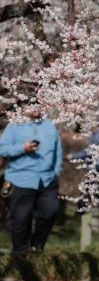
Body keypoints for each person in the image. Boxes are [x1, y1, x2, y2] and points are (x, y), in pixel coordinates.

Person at [0, 101, 62, 252]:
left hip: (47, 179)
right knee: (21, 219)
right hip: (21, 179)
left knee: (51, 212)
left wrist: (56, 172)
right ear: (23, 106)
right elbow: (3, 149)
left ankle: (36, 246)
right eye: (32, 105)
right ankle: (20, 254)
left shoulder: (49, 124)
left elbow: (57, 150)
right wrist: (22, 148)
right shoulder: (14, 125)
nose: (37, 108)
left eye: (39, 104)